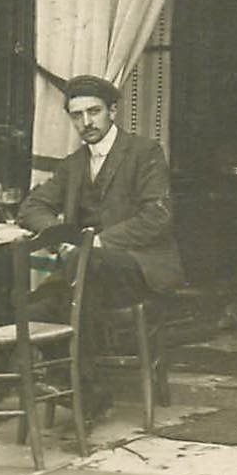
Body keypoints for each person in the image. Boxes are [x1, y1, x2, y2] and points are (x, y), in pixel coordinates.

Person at [19, 74, 185, 422]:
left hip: (138, 267)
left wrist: (94, 242)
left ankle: (83, 394)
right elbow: (32, 207)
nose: (86, 122)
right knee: (37, 307)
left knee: (79, 273)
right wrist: (61, 235)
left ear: (113, 111)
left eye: (93, 112)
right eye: (76, 115)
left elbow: (158, 216)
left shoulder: (144, 153)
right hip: (89, 272)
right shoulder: (74, 164)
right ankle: (83, 392)